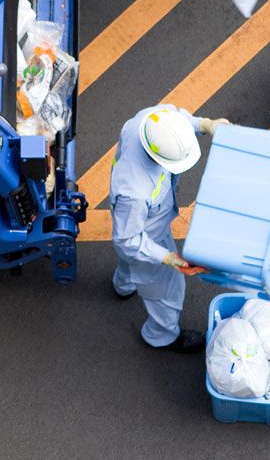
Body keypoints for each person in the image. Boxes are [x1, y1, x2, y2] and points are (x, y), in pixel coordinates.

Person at [111, 103, 230, 353]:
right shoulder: (135, 191)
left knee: (127, 263)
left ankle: (123, 286)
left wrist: (205, 124)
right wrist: (166, 257)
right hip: (148, 238)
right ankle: (160, 335)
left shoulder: (148, 121)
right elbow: (128, 240)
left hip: (135, 225)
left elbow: (178, 120)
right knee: (167, 291)